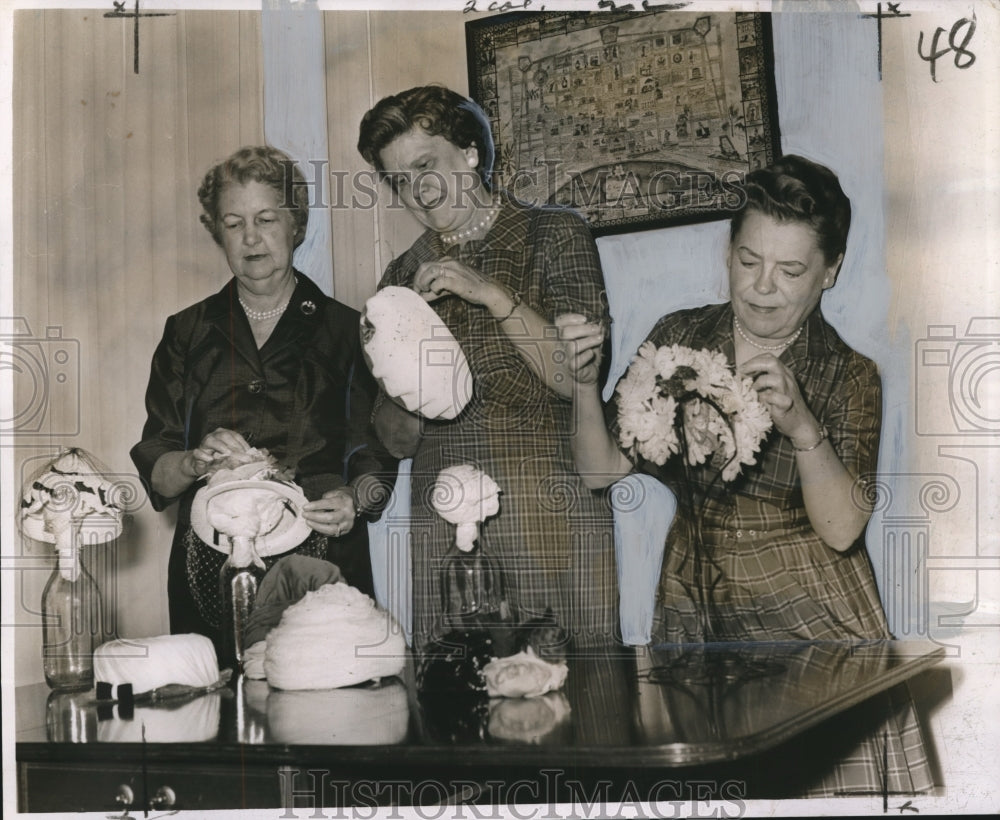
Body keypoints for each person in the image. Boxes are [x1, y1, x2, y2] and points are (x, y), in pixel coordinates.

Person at [558, 155, 932, 795]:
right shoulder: (679, 337)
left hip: (811, 627)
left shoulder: (850, 374)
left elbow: (843, 529)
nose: (763, 287)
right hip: (692, 620)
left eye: (790, 271)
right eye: (748, 260)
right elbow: (599, 470)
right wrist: (584, 385)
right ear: (727, 252)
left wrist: (804, 429)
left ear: (829, 272)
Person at [357, 85, 617, 650]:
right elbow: (396, 441)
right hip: (440, 523)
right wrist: (407, 373)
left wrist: (491, 295)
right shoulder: (400, 276)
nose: (417, 191)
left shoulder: (552, 233)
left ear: (471, 152)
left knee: (571, 706)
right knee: (456, 710)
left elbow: (576, 380)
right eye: (398, 180)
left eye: (426, 166)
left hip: (544, 515)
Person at [131, 145, 397, 655]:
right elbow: (158, 467)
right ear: (218, 233)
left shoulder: (348, 330)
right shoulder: (185, 332)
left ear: (295, 224)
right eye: (233, 224)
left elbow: (375, 457)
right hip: (208, 564)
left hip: (322, 559)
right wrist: (191, 459)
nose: (251, 238)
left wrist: (354, 501)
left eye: (266, 219)